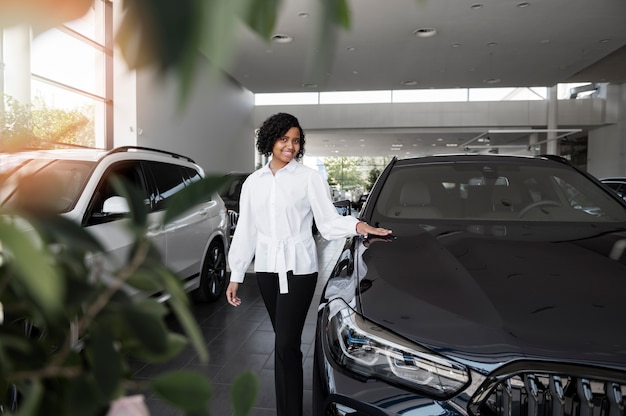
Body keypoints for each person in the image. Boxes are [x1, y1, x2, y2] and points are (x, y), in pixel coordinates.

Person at [226, 112, 392, 416]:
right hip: (266, 270)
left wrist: (358, 226)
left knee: (285, 344)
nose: (290, 146)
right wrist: (236, 274)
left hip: (299, 269)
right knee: (284, 345)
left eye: (296, 140)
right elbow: (247, 230)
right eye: (284, 139)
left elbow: (327, 223)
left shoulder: (308, 178)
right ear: (270, 140)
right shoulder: (253, 183)